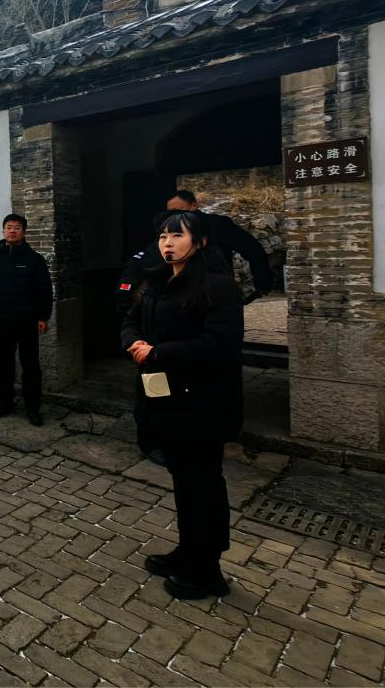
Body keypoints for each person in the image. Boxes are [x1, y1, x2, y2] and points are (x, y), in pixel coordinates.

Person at [120, 210, 243, 600]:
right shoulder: (157, 281)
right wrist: (135, 343)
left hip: (202, 404)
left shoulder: (216, 286)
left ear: (201, 242)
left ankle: (209, 569)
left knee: (204, 484)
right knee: (183, 481)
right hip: (165, 399)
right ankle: (188, 550)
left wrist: (159, 352)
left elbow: (219, 345)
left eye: (177, 235)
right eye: (163, 236)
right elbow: (131, 320)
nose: (167, 243)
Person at [116, 189, 273, 315]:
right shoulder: (164, 237)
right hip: (172, 298)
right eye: (171, 213)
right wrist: (126, 293)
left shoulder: (216, 227)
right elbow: (141, 261)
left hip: (211, 295)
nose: (176, 218)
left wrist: (262, 282)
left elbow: (252, 249)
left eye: (180, 211)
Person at [0, 213, 53, 426]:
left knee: (31, 366)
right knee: (4, 364)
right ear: (3, 231)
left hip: (27, 321)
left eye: (17, 227)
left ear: (24, 232)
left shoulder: (35, 260)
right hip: (2, 321)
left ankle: (32, 407)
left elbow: (44, 291)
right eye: (8, 227)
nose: (12, 231)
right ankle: (5, 402)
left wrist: (43, 317)